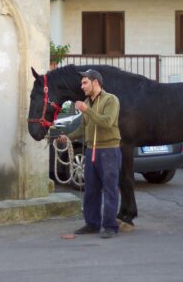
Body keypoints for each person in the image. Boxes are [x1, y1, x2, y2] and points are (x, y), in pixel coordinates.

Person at [59, 68, 121, 239]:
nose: (82, 86)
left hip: (109, 150)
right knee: (91, 190)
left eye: (85, 82)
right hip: (91, 150)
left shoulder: (111, 100)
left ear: (96, 82)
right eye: (82, 83)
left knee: (110, 189)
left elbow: (107, 123)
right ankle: (92, 224)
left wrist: (87, 110)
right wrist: (67, 137)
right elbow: (83, 128)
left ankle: (110, 226)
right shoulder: (88, 101)